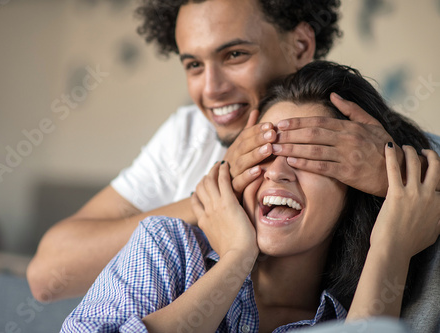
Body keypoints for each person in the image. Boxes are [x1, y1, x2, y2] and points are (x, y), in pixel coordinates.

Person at [26, 0, 439, 303]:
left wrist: (399, 181)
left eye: (235, 54)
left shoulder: (369, 140)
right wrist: (213, 193)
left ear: (299, 46)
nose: (211, 89)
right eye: (193, 65)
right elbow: (48, 276)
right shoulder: (187, 137)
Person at [59, 61, 440, 332]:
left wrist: (391, 246)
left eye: (310, 156)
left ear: (355, 187)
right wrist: (235, 261)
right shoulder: (166, 248)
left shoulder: (352, 315)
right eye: (265, 151)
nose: (277, 171)